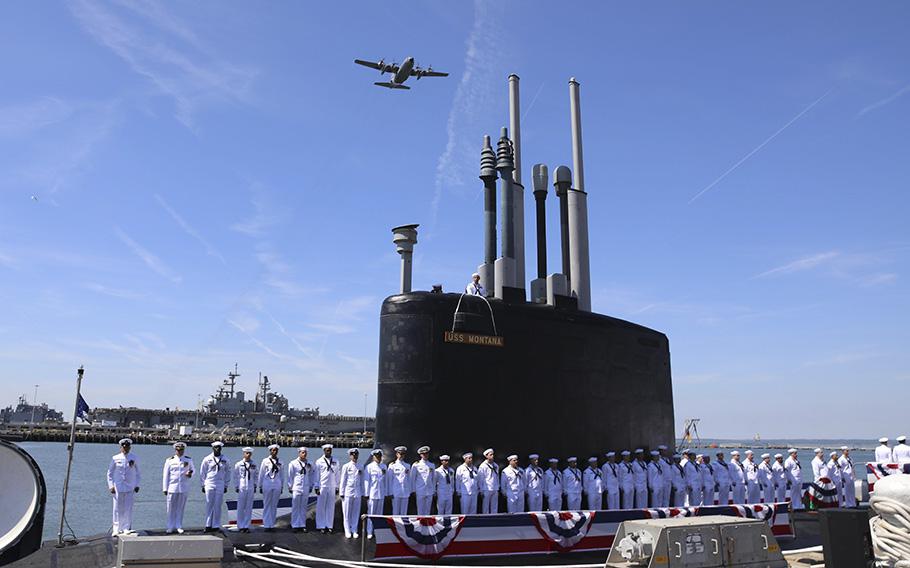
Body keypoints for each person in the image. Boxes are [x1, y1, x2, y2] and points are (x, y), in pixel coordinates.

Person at [107, 438, 140, 535]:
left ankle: (126, 527)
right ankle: (116, 529)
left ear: (130, 447)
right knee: (117, 508)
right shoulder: (115, 458)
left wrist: (137, 485)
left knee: (128, 508)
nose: (125, 449)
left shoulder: (134, 457)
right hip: (118, 486)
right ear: (121, 447)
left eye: (127, 447)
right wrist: (111, 485)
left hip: (130, 486)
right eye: (123, 447)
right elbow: (109, 473)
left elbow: (138, 473)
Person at [200, 441, 231, 532]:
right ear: (213, 448)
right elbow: (203, 472)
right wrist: (203, 484)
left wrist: (226, 485)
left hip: (220, 483)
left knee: (218, 504)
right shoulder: (207, 459)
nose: (217, 449)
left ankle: (216, 525)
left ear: (221, 448)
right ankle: (208, 525)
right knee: (209, 503)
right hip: (209, 482)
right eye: (215, 447)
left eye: (219, 447)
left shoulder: (225, 459)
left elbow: (228, 472)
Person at [163, 441, 194, 534]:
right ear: (175, 450)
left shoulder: (188, 460)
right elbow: (166, 475)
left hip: (183, 487)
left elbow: (193, 469)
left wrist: (190, 473)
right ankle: (170, 526)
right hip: (172, 487)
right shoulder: (169, 460)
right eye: (178, 450)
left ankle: (179, 525)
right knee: (170, 507)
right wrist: (165, 488)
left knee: (181, 507)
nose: (180, 452)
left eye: (181, 450)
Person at [257, 444, 284, 532]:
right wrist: (260, 485)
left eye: (276, 450)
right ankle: (266, 524)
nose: (274, 452)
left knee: (274, 505)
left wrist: (282, 486)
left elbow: (282, 475)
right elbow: (261, 474)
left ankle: (272, 524)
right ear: (270, 451)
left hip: (277, 484)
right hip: (267, 483)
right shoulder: (265, 461)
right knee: (267, 504)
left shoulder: (281, 461)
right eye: (272, 450)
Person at [314, 444, 340, 533]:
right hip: (322, 486)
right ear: (324, 451)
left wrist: (337, 486)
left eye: (330, 450)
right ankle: (321, 525)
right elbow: (316, 475)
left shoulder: (335, 461)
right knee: (321, 506)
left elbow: (337, 475)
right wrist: (316, 486)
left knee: (330, 506)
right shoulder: (319, 461)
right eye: (327, 450)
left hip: (332, 486)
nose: (328, 451)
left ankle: (329, 525)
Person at [339, 449, 363, 538]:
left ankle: (354, 529)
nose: (355, 456)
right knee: (347, 512)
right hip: (348, 492)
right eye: (353, 455)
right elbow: (343, 480)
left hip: (357, 492)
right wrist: (342, 492)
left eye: (356, 454)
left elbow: (362, 480)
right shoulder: (346, 466)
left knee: (356, 512)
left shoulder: (361, 466)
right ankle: (347, 530)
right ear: (350, 456)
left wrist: (363, 492)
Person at [287, 447, 313, 533]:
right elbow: (290, 476)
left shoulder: (310, 463)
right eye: (302, 452)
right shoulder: (293, 463)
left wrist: (311, 486)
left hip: (305, 487)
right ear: (299, 453)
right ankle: (294, 524)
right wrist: (290, 486)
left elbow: (311, 475)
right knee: (295, 507)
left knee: (303, 507)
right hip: (297, 487)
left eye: (305, 452)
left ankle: (302, 524)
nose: (304, 454)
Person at [363, 449, 387, 539]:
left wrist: (387, 492)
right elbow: (367, 481)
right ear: (373, 457)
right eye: (376, 457)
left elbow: (386, 481)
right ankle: (369, 531)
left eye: (379, 456)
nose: (378, 458)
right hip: (372, 494)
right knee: (371, 513)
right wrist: (366, 494)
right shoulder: (369, 467)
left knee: (379, 514)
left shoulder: (384, 466)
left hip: (381, 494)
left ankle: (377, 531)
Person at [232, 447, 256, 533]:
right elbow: (235, 476)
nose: (248, 455)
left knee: (249, 507)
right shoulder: (239, 464)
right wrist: (236, 486)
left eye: (249, 453)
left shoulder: (254, 464)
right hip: (242, 486)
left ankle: (246, 525)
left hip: (250, 486)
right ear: (244, 454)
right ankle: (240, 525)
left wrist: (255, 485)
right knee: (241, 507)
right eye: (246, 453)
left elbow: (256, 475)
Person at [409, 446, 436, 515]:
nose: (425, 455)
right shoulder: (416, 465)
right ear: (420, 455)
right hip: (420, 490)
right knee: (420, 510)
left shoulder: (431, 465)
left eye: (426, 453)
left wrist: (433, 490)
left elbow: (433, 479)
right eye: (423, 454)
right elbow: (412, 478)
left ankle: (427, 525)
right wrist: (413, 490)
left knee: (428, 510)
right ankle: (420, 525)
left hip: (429, 490)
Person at [388, 446, 412, 515]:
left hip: (405, 492)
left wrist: (409, 491)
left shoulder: (407, 466)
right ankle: (395, 526)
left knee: (404, 513)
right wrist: (390, 492)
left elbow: (409, 479)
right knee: (395, 512)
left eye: (403, 454)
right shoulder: (392, 466)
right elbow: (390, 480)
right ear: (397, 454)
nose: (401, 455)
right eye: (400, 454)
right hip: (396, 492)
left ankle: (402, 526)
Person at [478, 448, 500, 514]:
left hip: (494, 488)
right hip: (486, 488)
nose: (492, 456)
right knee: (486, 506)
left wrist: (497, 488)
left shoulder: (496, 465)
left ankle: (494, 519)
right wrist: (481, 490)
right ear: (486, 456)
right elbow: (480, 479)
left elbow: (497, 477)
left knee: (494, 506)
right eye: (490, 455)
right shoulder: (483, 466)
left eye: (492, 454)